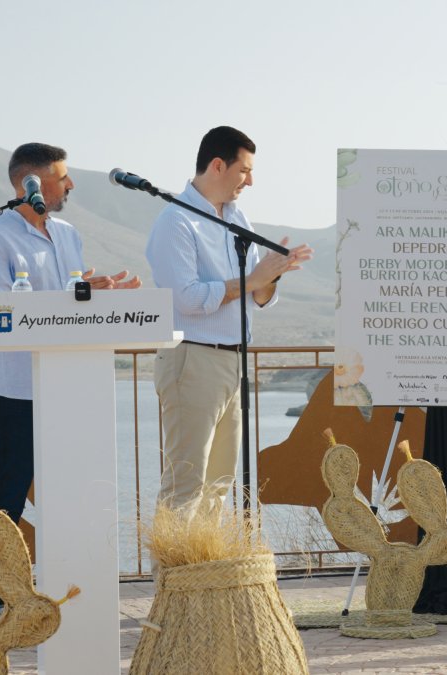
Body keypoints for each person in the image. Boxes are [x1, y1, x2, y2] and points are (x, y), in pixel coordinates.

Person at [0, 142, 140, 626]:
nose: (71, 185)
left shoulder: (69, 235)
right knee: (9, 495)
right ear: (33, 182)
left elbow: (72, 304)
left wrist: (98, 293)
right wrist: (73, 295)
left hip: (72, 388)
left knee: (74, 491)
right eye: (64, 177)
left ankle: (73, 590)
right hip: (18, 389)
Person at [146, 126, 312, 519]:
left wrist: (272, 275)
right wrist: (252, 280)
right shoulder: (176, 221)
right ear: (218, 165)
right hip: (193, 359)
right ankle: (170, 561)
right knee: (185, 482)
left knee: (219, 483)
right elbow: (187, 298)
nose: (249, 181)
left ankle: (205, 559)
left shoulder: (237, 220)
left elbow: (258, 296)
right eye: (244, 171)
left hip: (233, 361)